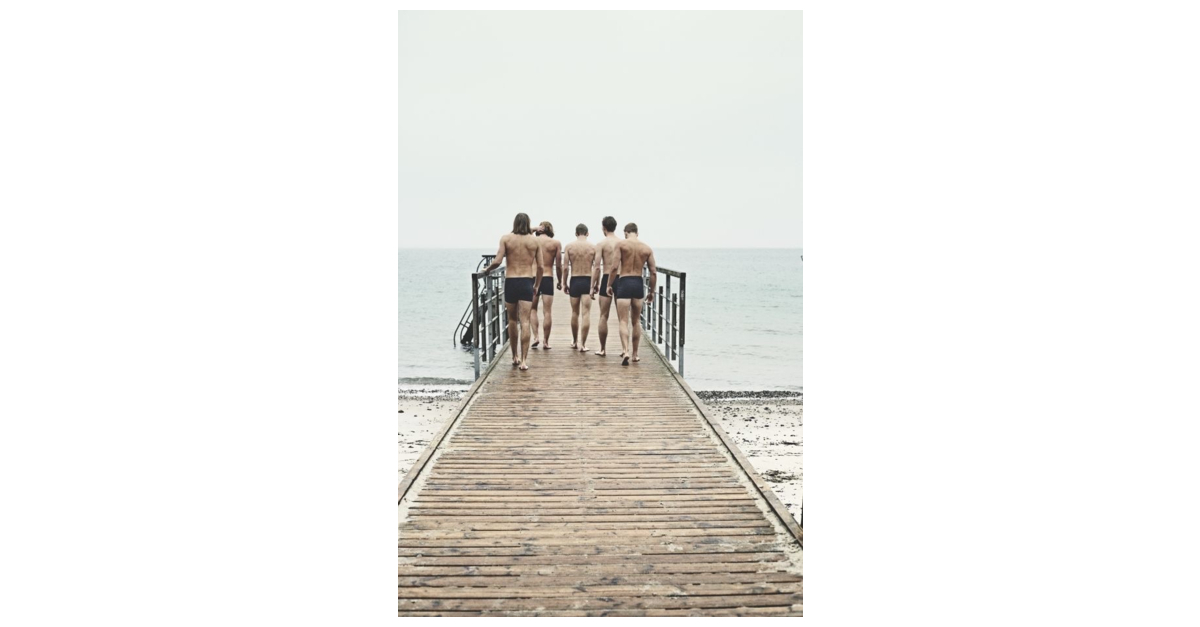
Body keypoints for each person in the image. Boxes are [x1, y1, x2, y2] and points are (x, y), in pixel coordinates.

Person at [482, 213, 543, 371]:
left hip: (511, 282)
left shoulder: (506, 239)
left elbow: (497, 261)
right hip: (526, 281)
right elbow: (541, 267)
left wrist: (487, 269)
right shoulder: (535, 241)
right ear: (528, 224)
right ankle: (524, 361)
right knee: (525, 321)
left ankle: (514, 356)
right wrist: (536, 285)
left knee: (512, 320)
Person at [606, 222, 657, 366]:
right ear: (637, 233)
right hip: (638, 283)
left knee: (623, 320)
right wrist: (651, 292)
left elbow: (614, 267)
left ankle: (625, 351)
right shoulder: (646, 248)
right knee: (636, 321)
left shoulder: (621, 245)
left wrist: (609, 285)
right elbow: (653, 272)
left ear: (626, 233)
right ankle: (635, 354)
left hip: (624, 282)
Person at [562, 223, 597, 352]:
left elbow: (565, 268)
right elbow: (597, 268)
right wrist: (596, 284)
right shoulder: (593, 247)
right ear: (587, 233)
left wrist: (564, 283)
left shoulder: (569, 247)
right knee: (586, 313)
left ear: (576, 233)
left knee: (575, 313)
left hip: (575, 280)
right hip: (588, 280)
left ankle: (575, 341)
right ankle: (583, 344)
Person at [529, 221, 563, 350]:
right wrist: (560, 281)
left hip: (533, 277)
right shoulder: (556, 243)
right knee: (547, 311)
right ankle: (546, 342)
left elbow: (520, 233)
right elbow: (558, 266)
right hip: (548, 277)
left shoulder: (532, 241)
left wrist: (533, 229)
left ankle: (536, 337)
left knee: (533, 309)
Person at [590, 216, 620, 357]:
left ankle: (602, 349)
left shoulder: (601, 244)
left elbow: (597, 268)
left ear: (604, 228)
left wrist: (593, 286)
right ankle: (625, 350)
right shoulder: (622, 243)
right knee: (623, 318)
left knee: (603, 315)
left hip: (607, 277)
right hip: (620, 278)